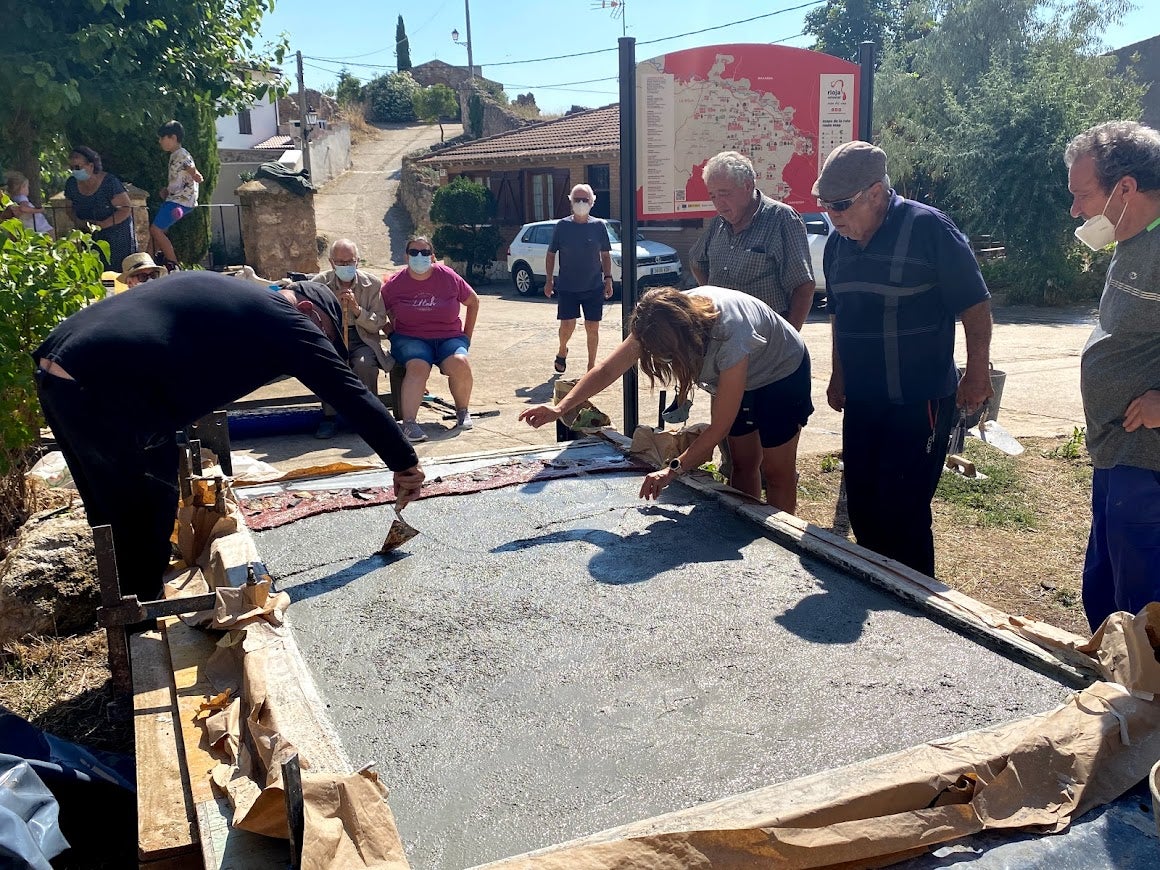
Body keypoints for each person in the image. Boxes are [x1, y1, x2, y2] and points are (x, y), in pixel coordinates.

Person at [32, 271, 423, 601]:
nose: (318, 343)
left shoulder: (239, 299)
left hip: (59, 366)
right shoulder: (288, 320)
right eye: (322, 334)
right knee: (146, 508)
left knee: (110, 507)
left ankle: (122, 607)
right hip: (106, 381)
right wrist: (405, 463)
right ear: (310, 312)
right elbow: (350, 394)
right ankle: (141, 632)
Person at [816, 140, 993, 578]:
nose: (833, 215)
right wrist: (838, 374)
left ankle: (917, 615)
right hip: (863, 400)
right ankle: (875, 593)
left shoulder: (929, 228)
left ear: (876, 194)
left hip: (920, 400)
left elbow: (975, 305)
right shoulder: (839, 243)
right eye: (825, 205)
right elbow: (839, 311)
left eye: (841, 204)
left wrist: (975, 373)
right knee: (863, 505)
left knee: (904, 511)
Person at [520, 286, 813, 511]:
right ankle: (746, 528)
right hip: (740, 375)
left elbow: (719, 427)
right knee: (742, 461)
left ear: (687, 335)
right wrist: (560, 407)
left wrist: (671, 471)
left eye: (669, 354)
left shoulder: (731, 333)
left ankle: (778, 542)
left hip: (781, 372)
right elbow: (607, 368)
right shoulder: (655, 318)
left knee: (775, 470)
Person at [1063, 120, 1160, 631]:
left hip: (1147, 462)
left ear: (1125, 188)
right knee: (1106, 595)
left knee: (1143, 612)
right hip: (1115, 453)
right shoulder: (1133, 239)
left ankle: (1142, 704)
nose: (1076, 209)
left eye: (1082, 195)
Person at [690, 151, 815, 332]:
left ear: (747, 186)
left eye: (724, 194)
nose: (718, 203)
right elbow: (696, 261)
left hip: (765, 339)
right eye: (713, 195)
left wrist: (789, 340)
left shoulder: (782, 218)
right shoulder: (718, 223)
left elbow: (804, 287)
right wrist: (711, 299)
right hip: (722, 335)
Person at [381, 235, 480, 443]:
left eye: (425, 252)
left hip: (449, 337)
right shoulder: (395, 283)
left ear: (433, 256)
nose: (420, 256)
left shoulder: (447, 276)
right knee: (418, 366)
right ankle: (409, 423)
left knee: (460, 363)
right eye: (414, 252)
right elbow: (378, 310)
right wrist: (391, 332)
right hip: (410, 338)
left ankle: (462, 411)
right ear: (406, 257)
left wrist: (466, 337)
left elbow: (473, 301)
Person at [309, 239, 394, 439]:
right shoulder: (319, 284)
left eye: (349, 262)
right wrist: (333, 307)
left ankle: (369, 417)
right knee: (328, 365)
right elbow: (311, 318)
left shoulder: (371, 284)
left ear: (357, 261)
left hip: (362, 337)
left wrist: (357, 310)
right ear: (331, 263)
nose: (345, 266)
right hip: (331, 336)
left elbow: (378, 322)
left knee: (365, 365)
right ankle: (330, 417)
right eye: (340, 262)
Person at [545, 184, 614, 373]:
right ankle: (562, 350)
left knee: (592, 327)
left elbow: (605, 255)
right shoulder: (562, 226)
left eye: (585, 200)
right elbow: (551, 254)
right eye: (577, 200)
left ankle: (591, 366)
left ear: (592, 202)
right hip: (567, 286)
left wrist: (608, 279)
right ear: (571, 202)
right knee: (567, 325)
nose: (581, 203)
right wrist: (549, 279)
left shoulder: (599, 226)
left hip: (593, 286)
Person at [63, 146, 136, 270]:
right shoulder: (71, 184)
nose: (74, 171)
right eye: (71, 168)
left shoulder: (110, 183)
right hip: (89, 236)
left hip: (116, 236)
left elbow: (125, 208)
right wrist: (80, 222)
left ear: (91, 166)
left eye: (77, 167)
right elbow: (69, 208)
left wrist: (102, 224)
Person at [151, 120, 203, 270]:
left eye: (162, 138)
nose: (160, 141)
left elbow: (189, 165)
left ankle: (173, 265)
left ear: (173, 137)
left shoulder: (181, 154)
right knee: (159, 230)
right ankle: (147, 262)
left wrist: (196, 174)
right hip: (177, 198)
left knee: (155, 229)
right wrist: (167, 190)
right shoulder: (175, 155)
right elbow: (179, 176)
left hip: (181, 201)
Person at [5, 171, 54, 236]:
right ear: (22, 187)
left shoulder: (14, 199)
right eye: (27, 187)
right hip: (41, 228)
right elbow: (23, 208)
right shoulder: (22, 198)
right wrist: (38, 210)